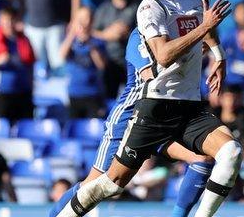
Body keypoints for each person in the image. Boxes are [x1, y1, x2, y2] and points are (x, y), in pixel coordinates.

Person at [55, 0, 239, 217]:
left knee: (218, 155)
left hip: (185, 107)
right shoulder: (146, 15)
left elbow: (207, 29)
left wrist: (218, 54)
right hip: (140, 112)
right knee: (105, 184)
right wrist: (204, 31)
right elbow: (162, 58)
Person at [49, 27, 214, 217]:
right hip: (130, 118)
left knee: (202, 158)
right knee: (94, 183)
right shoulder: (138, 37)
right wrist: (188, 50)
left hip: (165, 117)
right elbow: (150, 77)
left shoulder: (174, 34)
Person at [0, 8, 35, 125]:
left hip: (24, 92)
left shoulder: (23, 40)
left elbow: (31, 61)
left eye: (11, 20)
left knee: (25, 127)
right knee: (4, 127)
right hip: (4, 93)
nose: (8, 24)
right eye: (5, 21)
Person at [92, 0, 139, 99]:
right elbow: (91, 34)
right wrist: (107, 35)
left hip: (133, 65)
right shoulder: (103, 10)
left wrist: (128, 33)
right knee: (109, 102)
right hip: (110, 65)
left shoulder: (138, 7)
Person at [59, 7, 107, 118]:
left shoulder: (97, 42)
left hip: (93, 93)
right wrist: (72, 34)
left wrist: (90, 43)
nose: (83, 23)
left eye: (87, 19)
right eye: (80, 19)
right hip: (74, 93)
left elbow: (101, 65)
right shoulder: (70, 41)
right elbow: (62, 55)